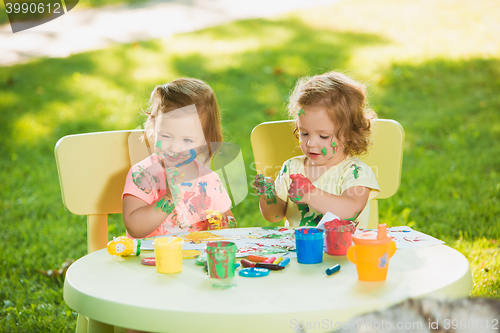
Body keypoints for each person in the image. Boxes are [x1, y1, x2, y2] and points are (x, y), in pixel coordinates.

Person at [253, 71, 380, 228]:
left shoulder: (356, 172)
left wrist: (310, 194)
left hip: (343, 250)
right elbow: (275, 216)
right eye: (304, 133)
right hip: (296, 250)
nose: (311, 143)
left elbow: (350, 210)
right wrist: (269, 197)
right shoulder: (291, 168)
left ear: (349, 134)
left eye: (324, 136)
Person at [122, 78, 236, 239]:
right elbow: (135, 228)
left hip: (194, 260)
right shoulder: (143, 175)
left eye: (187, 140)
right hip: (148, 261)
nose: (175, 148)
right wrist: (169, 198)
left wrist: (223, 223)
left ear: (206, 140)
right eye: (166, 136)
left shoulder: (209, 181)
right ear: (154, 127)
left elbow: (229, 222)